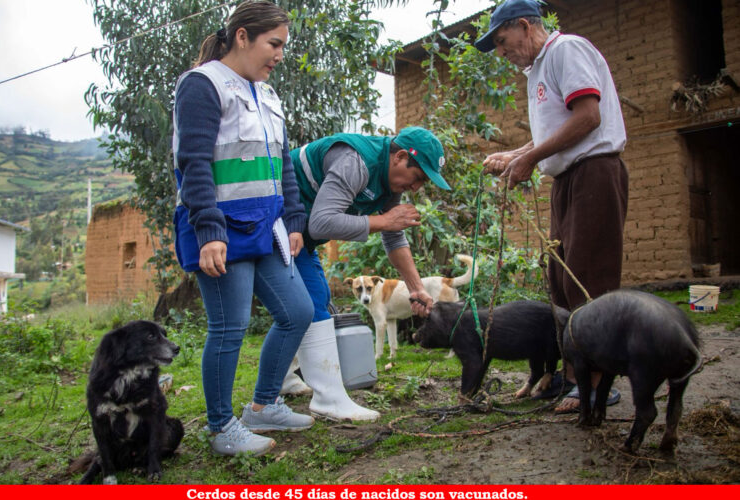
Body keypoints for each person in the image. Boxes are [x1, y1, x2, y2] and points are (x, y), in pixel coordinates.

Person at [171, 0, 315, 457]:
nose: (279, 55)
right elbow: (192, 162)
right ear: (242, 37)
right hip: (221, 227)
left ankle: (264, 404)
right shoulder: (203, 84)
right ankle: (220, 428)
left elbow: (283, 165)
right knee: (229, 327)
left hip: (267, 227)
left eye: (283, 46)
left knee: (298, 311)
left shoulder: (268, 94)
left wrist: (292, 218)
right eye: (273, 44)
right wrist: (209, 229)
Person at [476, 0, 628, 413]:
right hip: (566, 179)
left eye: (504, 42)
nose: (503, 53)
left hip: (594, 171)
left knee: (588, 277)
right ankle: (575, 375)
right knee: (561, 279)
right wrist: (516, 153)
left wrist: (528, 159)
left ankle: (597, 382)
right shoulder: (538, 71)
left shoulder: (566, 50)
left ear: (526, 26)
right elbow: (555, 131)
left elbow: (588, 117)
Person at [280, 126, 451, 421]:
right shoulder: (355, 162)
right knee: (305, 308)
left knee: (315, 301)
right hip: (277, 226)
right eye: (419, 177)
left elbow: (394, 236)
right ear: (399, 157)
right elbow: (321, 223)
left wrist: (416, 287)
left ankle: (284, 380)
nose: (417, 188)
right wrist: (383, 220)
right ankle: (328, 397)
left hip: (301, 238)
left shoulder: (389, 184)